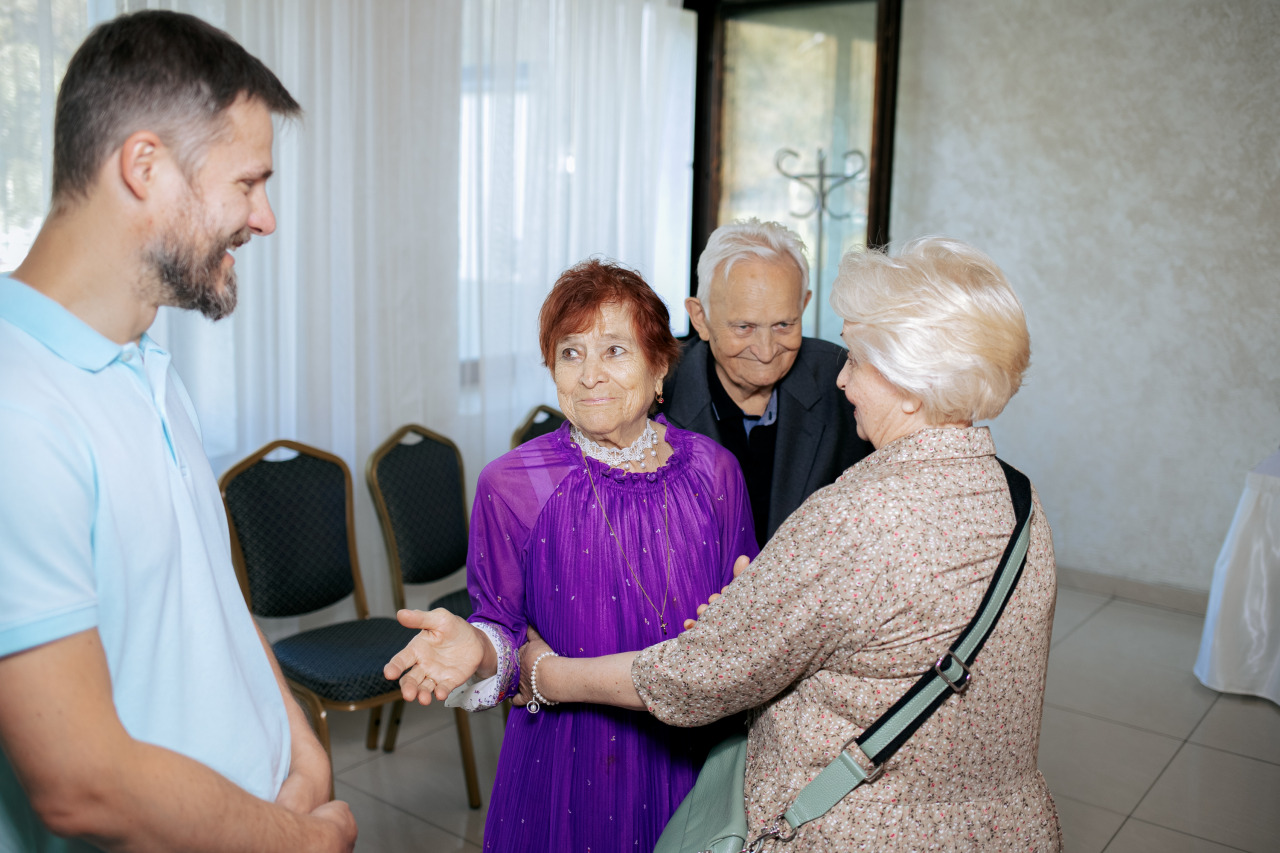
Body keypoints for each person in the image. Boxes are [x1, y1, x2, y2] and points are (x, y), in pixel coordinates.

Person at [516, 237, 1064, 850]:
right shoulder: (1020, 499)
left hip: (855, 831)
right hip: (1002, 830)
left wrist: (546, 675)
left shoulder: (852, 518)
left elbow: (697, 677)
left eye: (856, 360)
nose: (843, 379)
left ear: (911, 386)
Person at [0, 11, 357, 852]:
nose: (264, 218)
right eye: (247, 182)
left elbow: (208, 597)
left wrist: (299, 746)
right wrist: (297, 839)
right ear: (145, 167)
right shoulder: (18, 410)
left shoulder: (145, 362)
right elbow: (81, 783)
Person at [383, 259, 758, 851]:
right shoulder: (511, 484)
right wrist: (478, 647)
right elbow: (502, 632)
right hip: (571, 757)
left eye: (614, 351)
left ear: (660, 366)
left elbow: (743, 614)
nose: (589, 376)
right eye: (570, 353)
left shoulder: (715, 471)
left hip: (693, 753)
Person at [662, 218, 873, 547]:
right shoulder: (655, 391)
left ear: (803, 305)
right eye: (744, 327)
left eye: (783, 325)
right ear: (700, 318)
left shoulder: (846, 381)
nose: (765, 351)